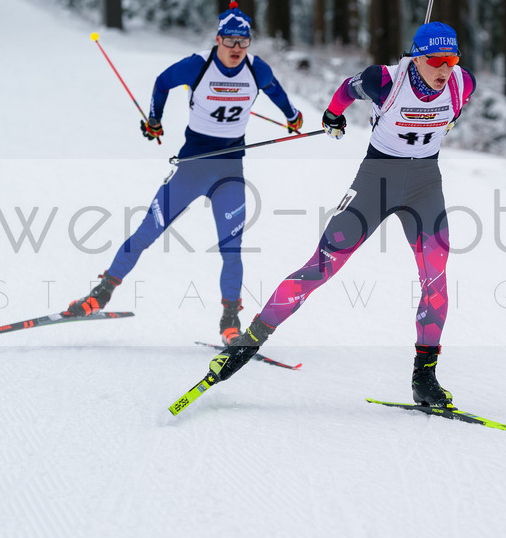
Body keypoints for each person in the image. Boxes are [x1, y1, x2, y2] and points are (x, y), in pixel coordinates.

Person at [199, 21, 476, 407]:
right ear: (416, 57)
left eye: (452, 59)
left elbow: (447, 114)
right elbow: (347, 90)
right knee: (320, 266)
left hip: (426, 185)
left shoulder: (464, 83)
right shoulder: (384, 80)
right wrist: (333, 116)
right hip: (377, 181)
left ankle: (424, 378)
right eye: (436, 60)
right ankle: (245, 344)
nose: (445, 69)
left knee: (436, 278)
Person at [66, 3, 303, 345]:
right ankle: (99, 295)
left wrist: (293, 117)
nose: (236, 49)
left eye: (243, 42)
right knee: (148, 231)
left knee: (232, 249)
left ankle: (230, 321)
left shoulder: (257, 70)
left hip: (229, 174)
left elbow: (277, 92)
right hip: (191, 169)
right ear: (218, 39)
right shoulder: (197, 66)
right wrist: (155, 119)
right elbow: (162, 83)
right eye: (230, 41)